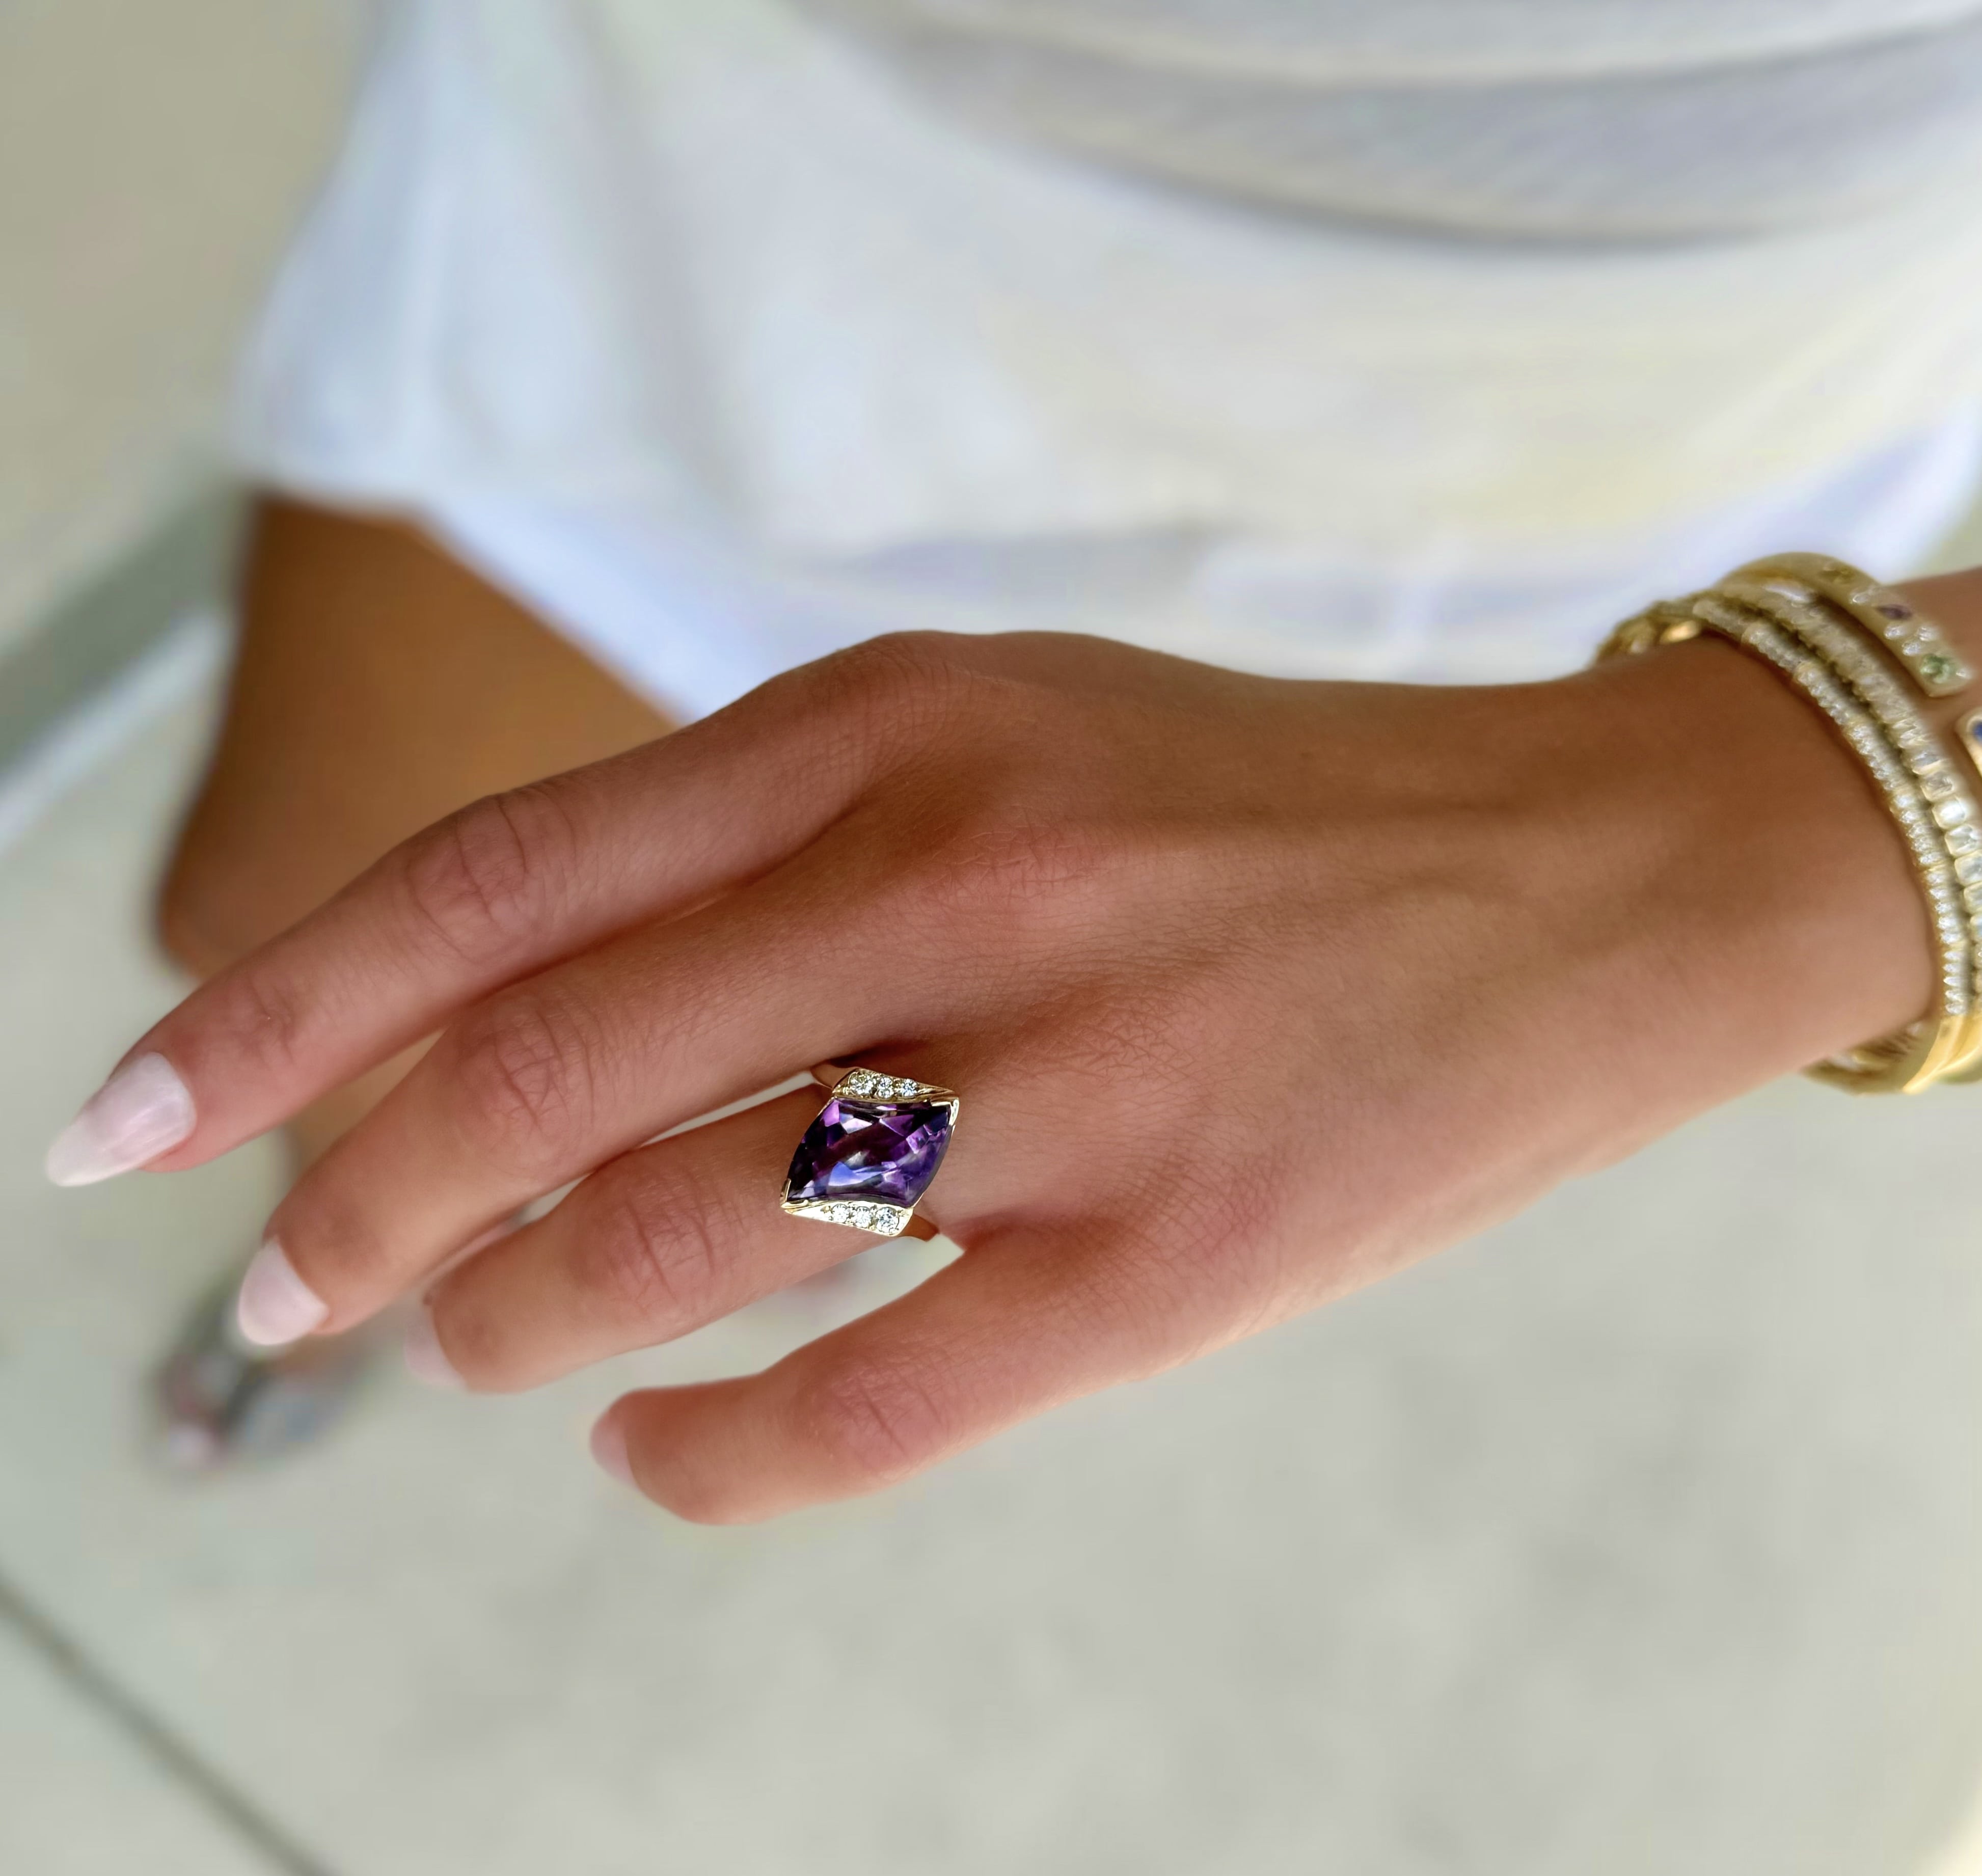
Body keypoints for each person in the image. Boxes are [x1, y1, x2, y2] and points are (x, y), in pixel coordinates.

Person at [60, 0, 1982, 1466]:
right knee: (338, 964)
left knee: (900, 1081)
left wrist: (1780, 820)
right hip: (722, 205)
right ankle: (314, 1302)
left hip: (1609, 420)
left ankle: (802, 1211)